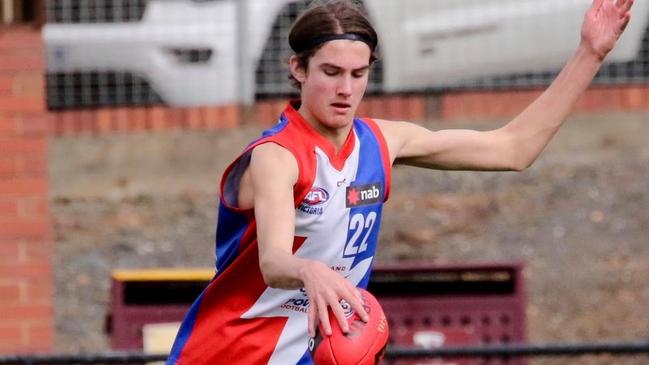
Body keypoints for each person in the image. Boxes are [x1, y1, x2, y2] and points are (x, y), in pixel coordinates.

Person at [166, 0, 633, 363]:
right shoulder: (277, 157)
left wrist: (591, 53)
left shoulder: (382, 143)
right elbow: (274, 262)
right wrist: (310, 270)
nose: (346, 89)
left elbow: (514, 149)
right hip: (228, 353)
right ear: (298, 70)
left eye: (358, 73)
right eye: (330, 72)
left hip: (308, 354)